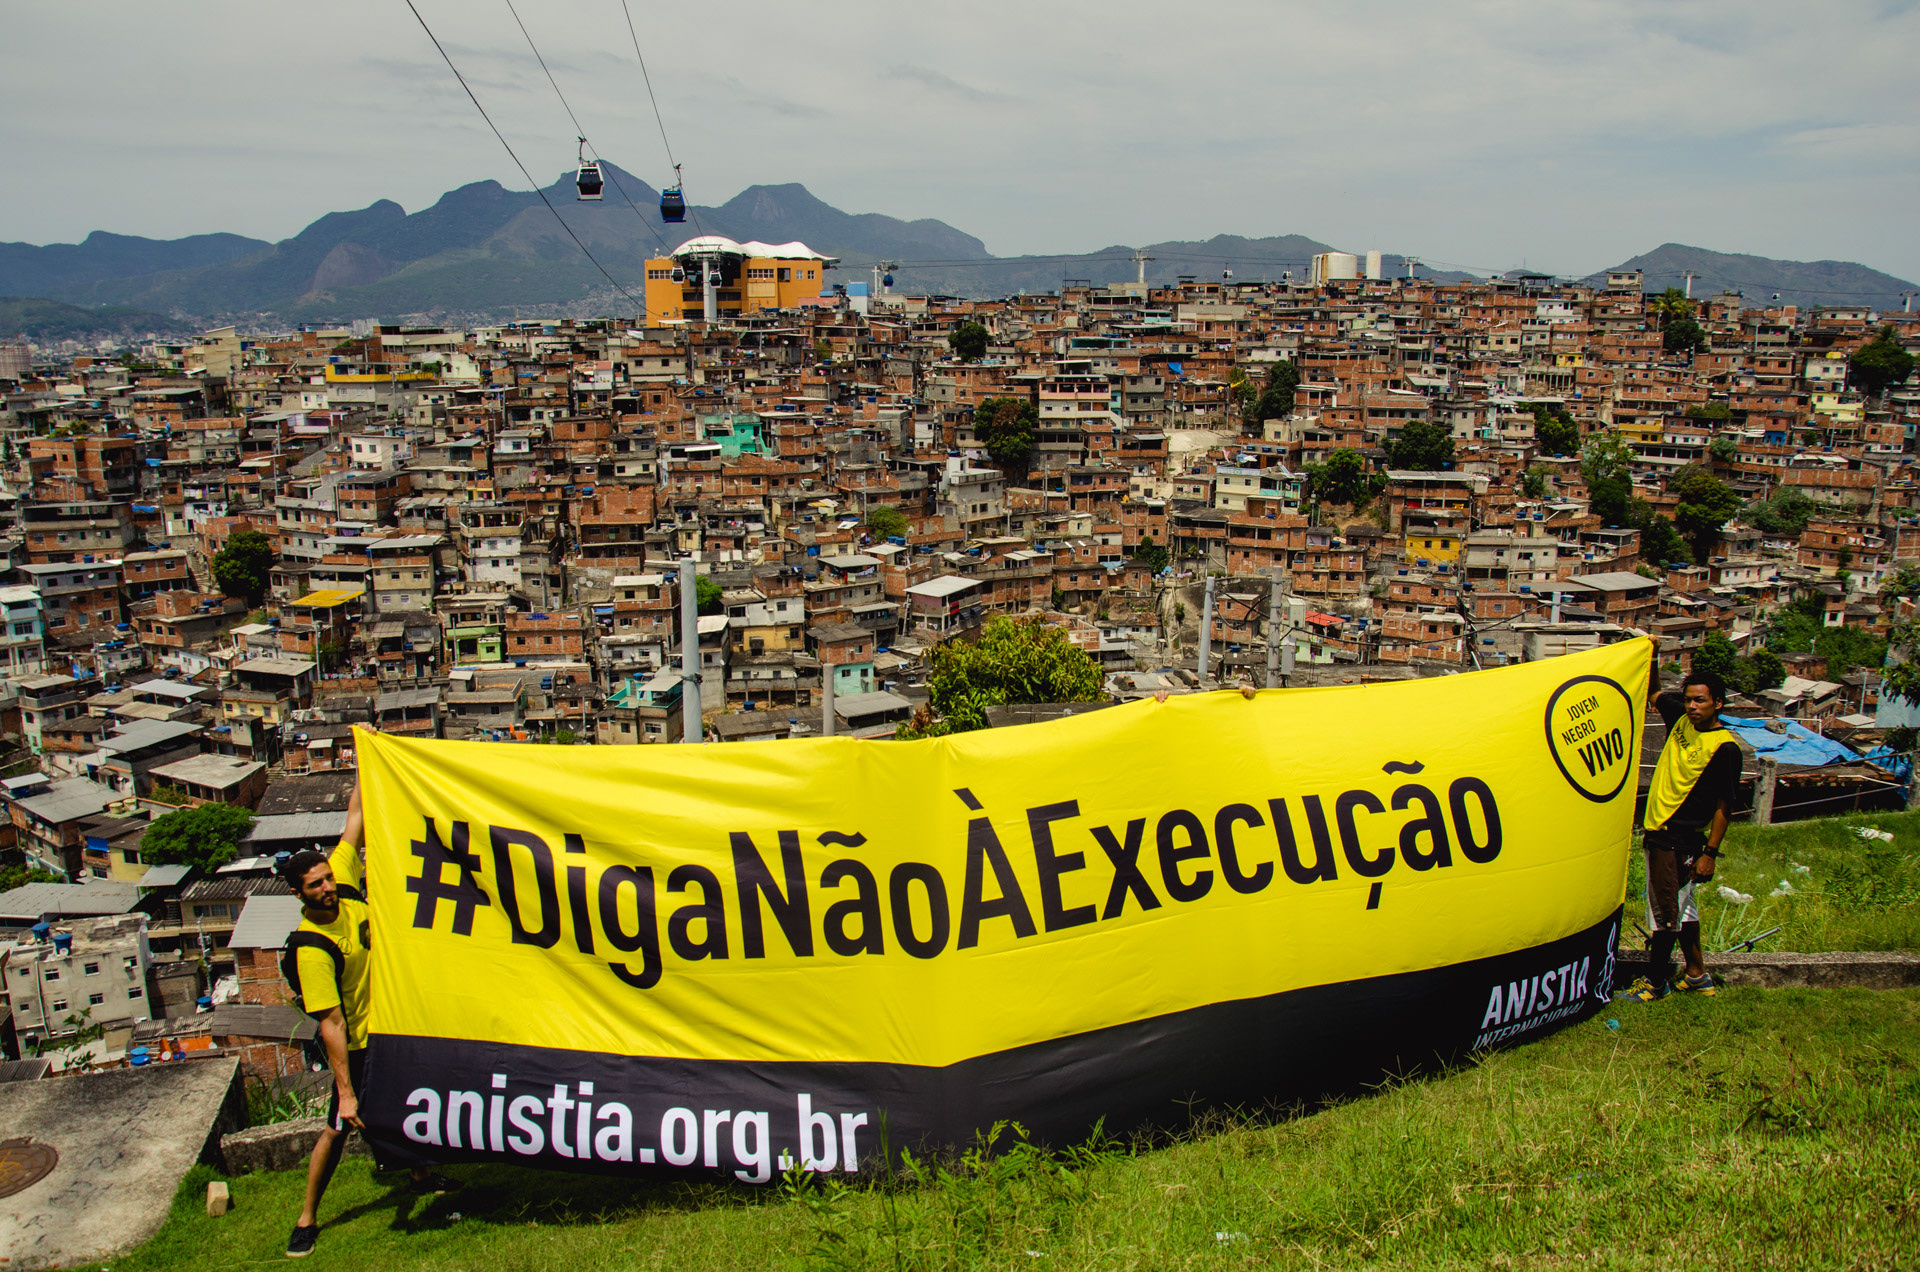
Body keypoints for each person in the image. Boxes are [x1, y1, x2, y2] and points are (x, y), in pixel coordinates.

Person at [284, 780, 457, 1258]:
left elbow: (354, 820)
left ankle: (420, 1174)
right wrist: (345, 1090)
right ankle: (306, 1219)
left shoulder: (343, 883)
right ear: (298, 894)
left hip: (391, 1026)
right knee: (337, 1128)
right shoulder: (312, 948)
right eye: (315, 885)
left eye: (327, 878)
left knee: (412, 1104)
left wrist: (367, 758)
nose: (327, 888)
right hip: (359, 1044)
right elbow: (331, 1024)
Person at [1628, 668, 1741, 1003]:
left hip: (1677, 838)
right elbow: (1654, 693)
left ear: (1718, 703)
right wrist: (1653, 655)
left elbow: (1724, 806)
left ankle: (1655, 983)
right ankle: (1696, 975)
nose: (1692, 706)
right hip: (1659, 830)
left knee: (1664, 914)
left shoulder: (1724, 748)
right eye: (1689, 699)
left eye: (1700, 701)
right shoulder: (1681, 718)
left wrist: (1710, 853)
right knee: (1683, 908)